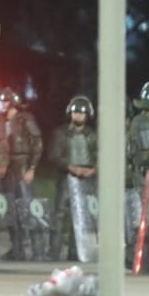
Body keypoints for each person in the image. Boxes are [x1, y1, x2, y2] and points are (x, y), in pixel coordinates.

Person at [0, 88, 44, 258]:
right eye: (3, 100)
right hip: (8, 167)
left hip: (23, 164)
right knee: (9, 208)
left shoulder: (25, 119)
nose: (3, 104)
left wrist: (32, 168)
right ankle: (17, 248)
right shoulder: (0, 121)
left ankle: (38, 249)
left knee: (29, 208)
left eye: (6, 100)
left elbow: (37, 143)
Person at [49, 95, 97, 260]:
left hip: (86, 180)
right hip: (66, 178)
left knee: (82, 216)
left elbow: (98, 154)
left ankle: (76, 253)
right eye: (75, 113)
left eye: (81, 113)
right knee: (59, 215)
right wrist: (71, 167)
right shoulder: (61, 133)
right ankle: (54, 252)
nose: (78, 116)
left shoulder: (92, 135)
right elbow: (54, 155)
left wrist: (93, 170)